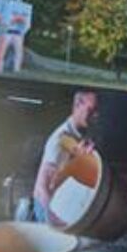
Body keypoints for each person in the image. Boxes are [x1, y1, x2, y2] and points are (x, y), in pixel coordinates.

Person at [33, 90, 97, 225]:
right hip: (48, 208)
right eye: (91, 110)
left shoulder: (80, 136)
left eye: (96, 111)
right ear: (77, 105)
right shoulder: (61, 139)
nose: (95, 115)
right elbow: (41, 189)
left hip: (63, 204)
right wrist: (56, 220)